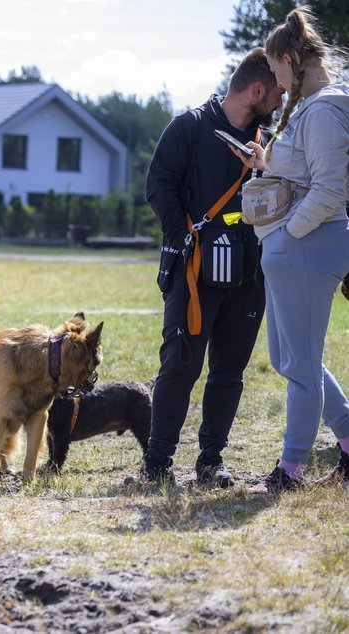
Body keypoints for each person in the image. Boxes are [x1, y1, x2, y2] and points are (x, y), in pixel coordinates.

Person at [142, 49, 285, 488]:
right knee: (181, 366)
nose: (282, 101)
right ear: (257, 90)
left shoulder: (271, 143)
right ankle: (157, 463)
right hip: (194, 271)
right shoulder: (190, 127)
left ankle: (210, 462)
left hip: (249, 276)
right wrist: (183, 236)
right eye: (278, 92)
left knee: (229, 372)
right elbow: (158, 184)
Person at [232, 8, 349, 491]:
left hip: (307, 245)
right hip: (296, 247)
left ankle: (290, 471)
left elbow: (330, 189)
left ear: (289, 59)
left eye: (278, 72)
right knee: (291, 360)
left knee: (300, 366)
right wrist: (266, 160)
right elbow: (306, 172)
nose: (278, 83)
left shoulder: (323, 108)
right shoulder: (312, 106)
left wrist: (287, 234)